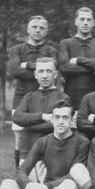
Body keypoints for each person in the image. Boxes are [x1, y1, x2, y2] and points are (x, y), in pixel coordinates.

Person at [0, 99, 95, 189]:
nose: (60, 121)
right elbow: (21, 170)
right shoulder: (42, 142)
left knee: (67, 188)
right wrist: (30, 187)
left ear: (72, 120)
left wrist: (45, 187)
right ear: (52, 119)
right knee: (5, 185)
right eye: (57, 117)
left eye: (65, 117)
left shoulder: (83, 142)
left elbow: (74, 175)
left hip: (63, 188)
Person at [8, 15, 58, 168]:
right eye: (35, 27)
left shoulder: (51, 51)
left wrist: (26, 65)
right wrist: (39, 69)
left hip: (46, 98)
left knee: (45, 135)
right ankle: (19, 171)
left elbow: (54, 70)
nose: (38, 30)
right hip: (21, 98)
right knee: (20, 139)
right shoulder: (16, 49)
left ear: (47, 31)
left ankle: (43, 171)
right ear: (28, 29)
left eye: (42, 28)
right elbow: (15, 71)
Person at [12, 57, 70, 161]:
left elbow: (57, 125)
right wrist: (43, 116)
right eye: (41, 71)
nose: (44, 76)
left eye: (49, 71)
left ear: (55, 74)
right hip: (27, 153)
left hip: (53, 154)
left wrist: (28, 125)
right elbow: (17, 117)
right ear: (35, 75)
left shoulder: (63, 98)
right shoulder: (29, 97)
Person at [59, 7, 95, 110]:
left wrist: (78, 60)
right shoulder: (65, 43)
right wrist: (94, 66)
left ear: (93, 23)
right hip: (71, 99)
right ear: (76, 22)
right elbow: (64, 67)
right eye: (82, 19)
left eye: (89, 20)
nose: (85, 23)